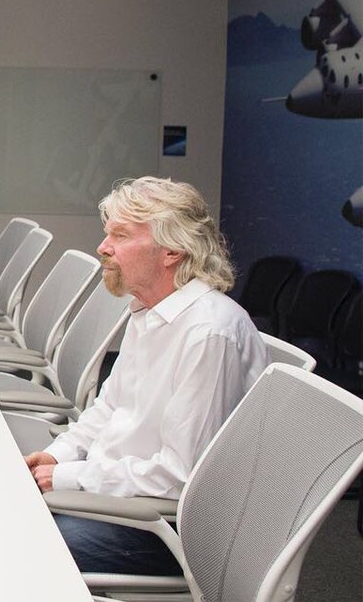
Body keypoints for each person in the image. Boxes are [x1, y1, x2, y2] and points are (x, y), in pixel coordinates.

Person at [24, 176, 268, 575]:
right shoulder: (149, 310)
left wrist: (67, 478)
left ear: (171, 250)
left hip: (164, 528)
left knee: (19, 543)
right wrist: (58, 455)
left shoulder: (208, 333)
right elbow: (109, 407)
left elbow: (180, 477)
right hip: (123, 499)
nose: (103, 247)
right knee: (1, 511)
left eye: (120, 235)